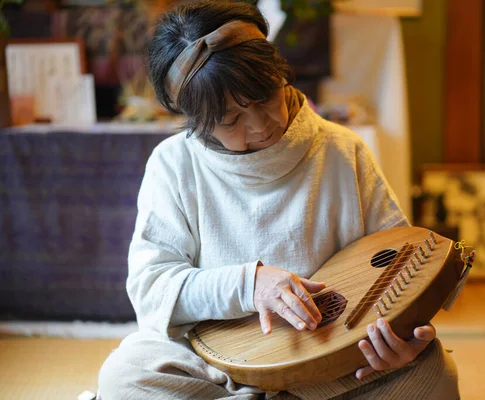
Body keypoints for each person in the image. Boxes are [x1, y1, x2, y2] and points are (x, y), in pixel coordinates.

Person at [98, 1, 459, 399]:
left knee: (430, 374)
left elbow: (400, 259)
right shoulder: (174, 163)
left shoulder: (342, 149)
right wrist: (248, 285)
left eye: (265, 97)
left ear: (280, 73)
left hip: (335, 360)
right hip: (216, 362)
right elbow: (151, 287)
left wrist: (398, 340)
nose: (260, 124)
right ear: (197, 121)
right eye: (231, 119)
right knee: (125, 377)